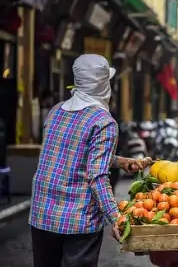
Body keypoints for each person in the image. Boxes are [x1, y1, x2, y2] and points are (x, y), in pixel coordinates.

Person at [29, 54, 151, 267]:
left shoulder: (56, 111)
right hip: (78, 220)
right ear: (104, 85)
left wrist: (118, 161)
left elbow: (70, 152)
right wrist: (115, 217)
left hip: (42, 214)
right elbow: (97, 176)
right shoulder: (104, 122)